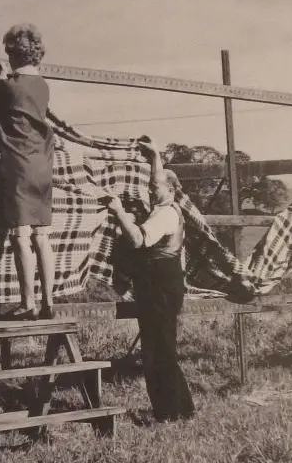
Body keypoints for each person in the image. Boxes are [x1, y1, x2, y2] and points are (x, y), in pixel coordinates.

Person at [106, 141, 195, 422]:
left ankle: (169, 413)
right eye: (149, 187)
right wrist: (155, 155)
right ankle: (181, 408)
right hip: (161, 285)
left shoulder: (166, 214)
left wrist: (119, 211)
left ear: (171, 190)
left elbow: (138, 239)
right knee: (161, 348)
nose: (150, 190)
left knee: (158, 351)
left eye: (155, 188)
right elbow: (158, 178)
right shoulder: (167, 207)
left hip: (159, 287)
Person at [0, 24, 56, 321]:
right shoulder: (43, 85)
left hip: (18, 164)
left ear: (11, 53)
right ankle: (48, 299)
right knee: (42, 236)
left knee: (20, 236)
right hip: (42, 166)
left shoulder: (7, 86)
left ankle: (28, 302)